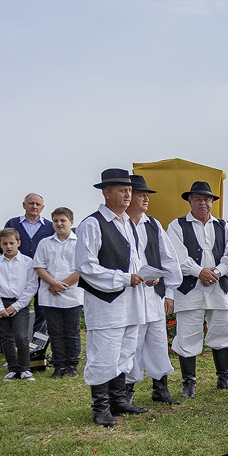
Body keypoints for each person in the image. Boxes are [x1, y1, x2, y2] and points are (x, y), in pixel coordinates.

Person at [76, 168, 153, 427]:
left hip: (131, 301)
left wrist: (146, 275)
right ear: (106, 193)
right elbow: (86, 266)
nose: (128, 194)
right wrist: (123, 278)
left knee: (126, 350)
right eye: (122, 190)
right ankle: (100, 407)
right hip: (106, 303)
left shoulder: (128, 224)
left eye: (130, 190)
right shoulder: (93, 224)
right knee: (105, 353)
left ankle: (118, 400)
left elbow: (134, 260)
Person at [167, 181, 228, 398]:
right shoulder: (177, 226)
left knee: (221, 330)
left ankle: (224, 377)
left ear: (212, 202)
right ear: (190, 200)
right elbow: (176, 256)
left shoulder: (223, 226)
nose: (203, 203)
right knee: (187, 333)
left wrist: (218, 271)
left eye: (207, 199)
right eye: (198, 199)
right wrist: (198, 271)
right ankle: (189, 383)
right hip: (189, 289)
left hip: (218, 288)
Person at [124, 177, 183, 405]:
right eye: (141, 194)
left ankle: (160, 388)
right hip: (129, 295)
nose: (146, 198)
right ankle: (126, 391)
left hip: (153, 294)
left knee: (157, 341)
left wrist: (169, 293)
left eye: (147, 194)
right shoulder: (119, 225)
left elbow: (169, 260)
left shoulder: (153, 224)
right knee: (132, 343)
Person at [32, 207, 83, 379]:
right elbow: (39, 267)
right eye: (56, 221)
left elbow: (82, 268)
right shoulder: (45, 243)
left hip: (72, 294)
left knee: (72, 331)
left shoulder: (80, 243)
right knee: (55, 332)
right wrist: (53, 283)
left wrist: (63, 285)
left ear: (71, 222)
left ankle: (72, 364)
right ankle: (59, 365)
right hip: (49, 293)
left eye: (63, 220)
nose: (59, 224)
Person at [0, 228, 39, 381]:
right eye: (5, 244)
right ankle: (12, 368)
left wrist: (16, 306)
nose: (9, 246)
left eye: (12, 243)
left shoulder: (27, 262)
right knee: (6, 337)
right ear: (0, 245)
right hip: (0, 303)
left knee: (21, 337)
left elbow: (31, 286)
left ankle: (24, 369)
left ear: (18, 243)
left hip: (19, 303)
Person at [3, 193, 55, 334]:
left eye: (38, 204)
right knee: (15, 308)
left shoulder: (50, 227)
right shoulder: (13, 224)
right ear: (24, 205)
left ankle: (37, 347)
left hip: (42, 276)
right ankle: (13, 345)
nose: (34, 206)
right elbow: (4, 247)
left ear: (42, 207)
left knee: (42, 311)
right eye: (31, 203)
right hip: (18, 276)